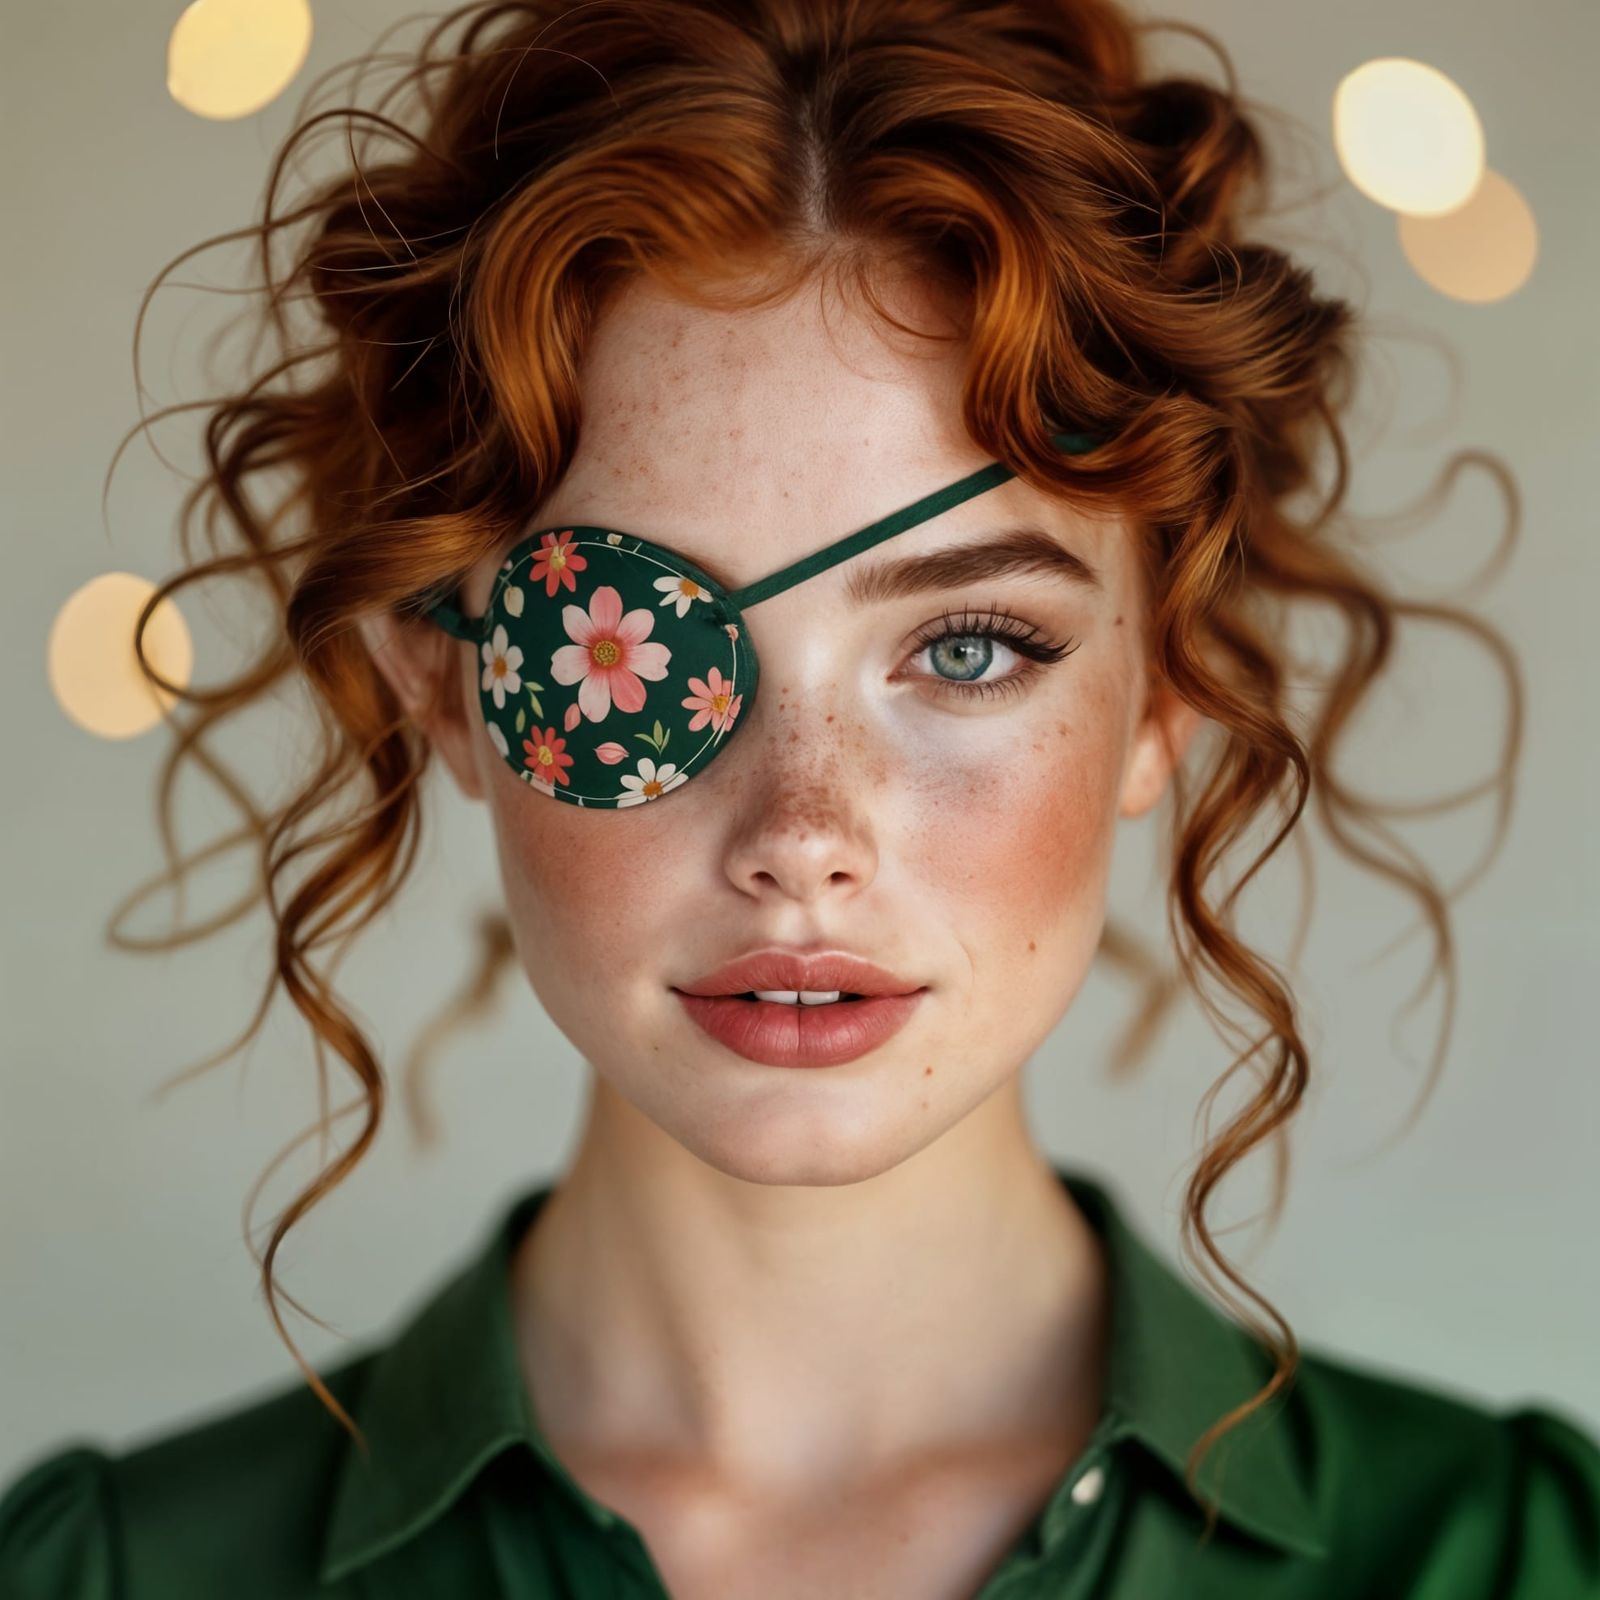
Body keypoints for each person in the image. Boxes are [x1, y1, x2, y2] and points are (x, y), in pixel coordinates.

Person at [4, 0, 1596, 1595]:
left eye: (968, 646)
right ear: (446, 680)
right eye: (630, 653)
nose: (802, 841)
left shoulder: (1521, 1559)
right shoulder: (107, 1576)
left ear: (1166, 686)